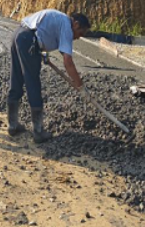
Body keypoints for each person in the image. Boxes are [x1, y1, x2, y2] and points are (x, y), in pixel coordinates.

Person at [7, 9, 91, 143]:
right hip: (29, 42)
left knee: (16, 79)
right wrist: (81, 87)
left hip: (18, 35)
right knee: (33, 83)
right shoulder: (67, 26)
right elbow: (67, 61)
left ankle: (12, 125)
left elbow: (41, 31)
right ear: (75, 24)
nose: (78, 37)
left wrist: (44, 54)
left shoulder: (59, 18)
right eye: (80, 33)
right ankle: (38, 132)